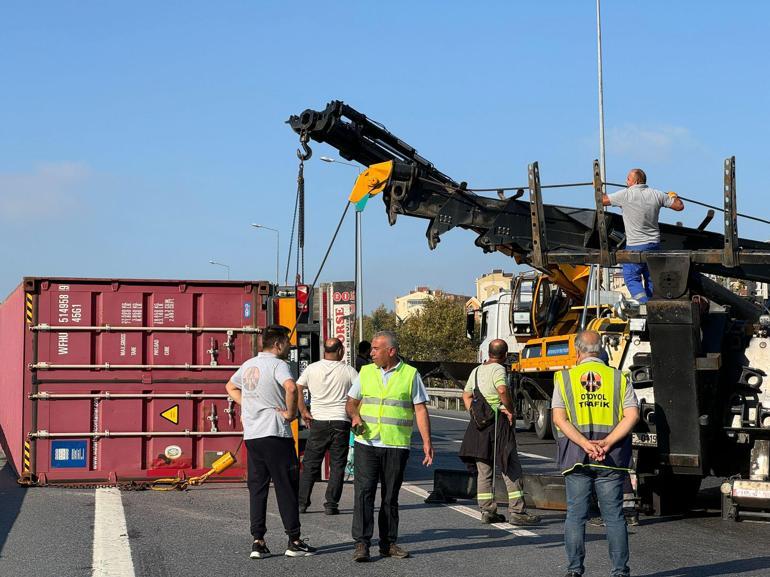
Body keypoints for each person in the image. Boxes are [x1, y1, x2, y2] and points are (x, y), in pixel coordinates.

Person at [551, 330, 639, 577]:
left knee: (576, 516)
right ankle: (620, 572)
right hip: (611, 458)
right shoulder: (619, 378)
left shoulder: (564, 378)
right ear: (600, 350)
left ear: (578, 351)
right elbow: (632, 415)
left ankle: (574, 570)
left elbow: (559, 418)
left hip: (577, 457)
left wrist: (585, 444)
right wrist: (607, 442)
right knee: (614, 517)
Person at [225, 324, 317, 560]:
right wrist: (289, 413)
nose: (289, 345)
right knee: (286, 487)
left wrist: (249, 404)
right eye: (287, 341)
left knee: (257, 489)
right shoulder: (279, 364)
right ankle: (294, 540)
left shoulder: (248, 365)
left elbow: (230, 386)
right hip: (276, 433)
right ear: (277, 344)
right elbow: (290, 387)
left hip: (253, 436)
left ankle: (258, 541)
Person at [346, 330, 434, 562]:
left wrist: (427, 442)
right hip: (367, 442)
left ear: (391, 351)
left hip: (396, 444)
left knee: (390, 497)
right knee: (363, 494)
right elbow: (351, 403)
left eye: (376, 349)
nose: (371, 353)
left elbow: (420, 409)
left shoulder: (410, 374)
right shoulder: (365, 372)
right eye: (372, 349)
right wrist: (355, 416)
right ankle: (362, 544)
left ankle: (388, 543)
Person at [458, 339, 541, 526]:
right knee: (510, 467)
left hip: (479, 428)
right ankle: (517, 511)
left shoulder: (477, 371)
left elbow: (466, 394)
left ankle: (487, 510)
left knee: (484, 470)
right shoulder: (499, 369)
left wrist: (475, 413)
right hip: (498, 424)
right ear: (504, 356)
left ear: (488, 352)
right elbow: (502, 390)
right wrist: (509, 408)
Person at [602, 168, 684, 303]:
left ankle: (644, 305)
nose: (625, 181)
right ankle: (652, 305)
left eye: (628, 179)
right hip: (654, 245)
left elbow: (602, 201)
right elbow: (679, 206)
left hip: (635, 246)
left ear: (636, 181)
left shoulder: (625, 195)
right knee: (651, 277)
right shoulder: (657, 194)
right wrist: (673, 196)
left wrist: (598, 188)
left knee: (631, 277)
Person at [297, 337, 359, 515]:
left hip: (318, 422)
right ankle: (331, 504)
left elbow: (298, 387)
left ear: (325, 350)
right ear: (340, 351)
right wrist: (355, 415)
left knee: (310, 464)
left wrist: (303, 411)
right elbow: (361, 392)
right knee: (338, 465)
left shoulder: (312, 368)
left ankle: (302, 504)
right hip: (341, 421)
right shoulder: (349, 371)